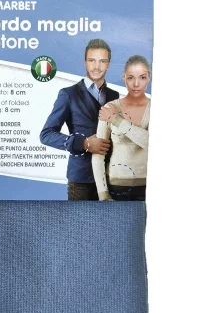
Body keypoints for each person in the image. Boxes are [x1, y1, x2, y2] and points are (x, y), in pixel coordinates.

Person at [40, 39, 120, 200]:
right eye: (92, 60)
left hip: (111, 176)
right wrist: (84, 144)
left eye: (102, 61)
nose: (96, 66)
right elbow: (46, 135)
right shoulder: (68, 94)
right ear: (85, 62)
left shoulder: (114, 95)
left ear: (108, 65)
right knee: (79, 218)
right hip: (82, 178)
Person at [92, 55, 151, 201]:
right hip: (116, 186)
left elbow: (149, 143)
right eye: (130, 78)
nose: (136, 84)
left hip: (149, 187)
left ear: (149, 78)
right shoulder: (110, 107)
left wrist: (116, 120)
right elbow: (98, 154)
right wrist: (102, 193)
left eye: (142, 77)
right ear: (124, 78)